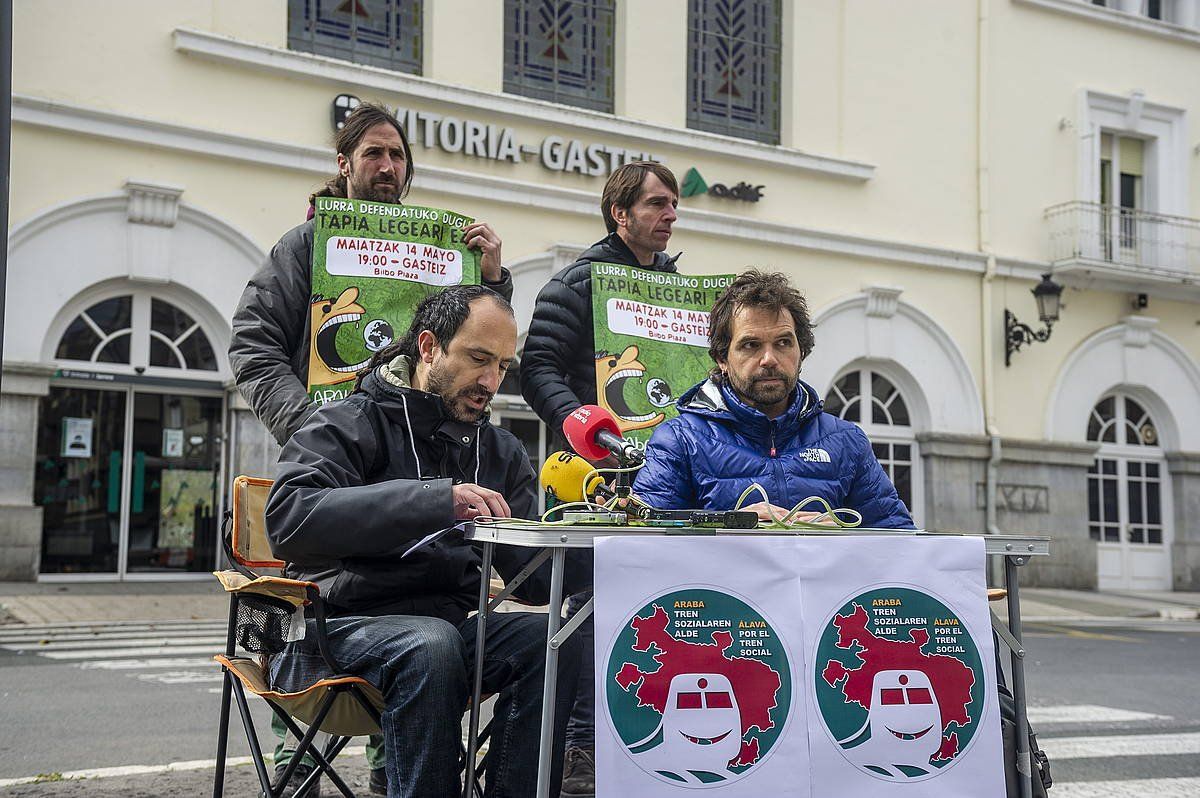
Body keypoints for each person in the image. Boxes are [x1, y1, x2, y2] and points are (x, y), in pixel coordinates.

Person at [228, 102, 511, 796]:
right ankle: (296, 777)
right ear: (344, 164)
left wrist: (494, 279)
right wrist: (308, 425)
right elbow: (252, 343)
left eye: (398, 156)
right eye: (373, 153)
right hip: (332, 460)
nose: (388, 167)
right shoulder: (307, 245)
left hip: (413, 477)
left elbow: (473, 349)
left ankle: (395, 776)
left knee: (423, 641)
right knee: (321, 600)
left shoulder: (442, 255)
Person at [266, 286, 584, 798]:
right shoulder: (347, 421)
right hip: (335, 628)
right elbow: (289, 518)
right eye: (478, 358)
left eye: (503, 366)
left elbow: (539, 579)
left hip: (446, 632)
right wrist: (436, 500)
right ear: (430, 346)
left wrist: (613, 534)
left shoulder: (499, 451)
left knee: (554, 638)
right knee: (430, 644)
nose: (490, 381)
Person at [519, 161, 680, 798]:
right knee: (590, 605)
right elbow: (536, 368)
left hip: (665, 473)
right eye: (658, 204)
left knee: (658, 605)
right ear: (620, 214)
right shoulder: (578, 283)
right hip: (594, 477)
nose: (671, 215)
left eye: (674, 205)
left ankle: (650, 731)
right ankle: (581, 751)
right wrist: (578, 418)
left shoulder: (677, 290)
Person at [632, 270, 914, 529]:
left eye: (783, 343)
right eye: (751, 345)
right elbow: (643, 543)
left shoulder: (847, 441)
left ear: (801, 351)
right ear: (722, 359)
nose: (769, 359)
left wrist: (841, 535)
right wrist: (731, 524)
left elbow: (901, 542)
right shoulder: (680, 440)